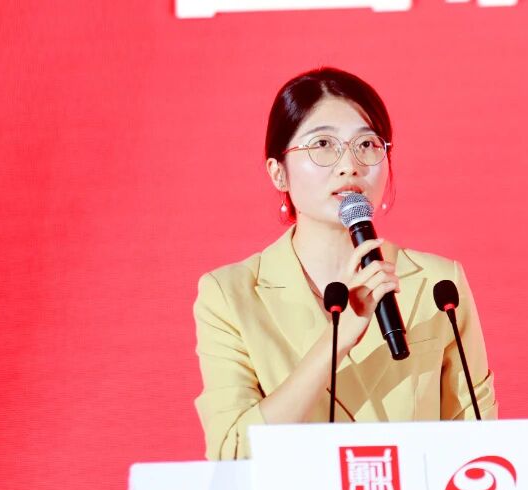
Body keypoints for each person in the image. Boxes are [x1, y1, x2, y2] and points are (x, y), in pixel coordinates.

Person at [193, 67, 497, 460]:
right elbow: (231, 454)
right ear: (278, 173)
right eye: (322, 144)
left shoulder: (440, 285)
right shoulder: (230, 295)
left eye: (367, 144)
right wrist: (342, 335)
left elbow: (478, 443)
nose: (350, 164)